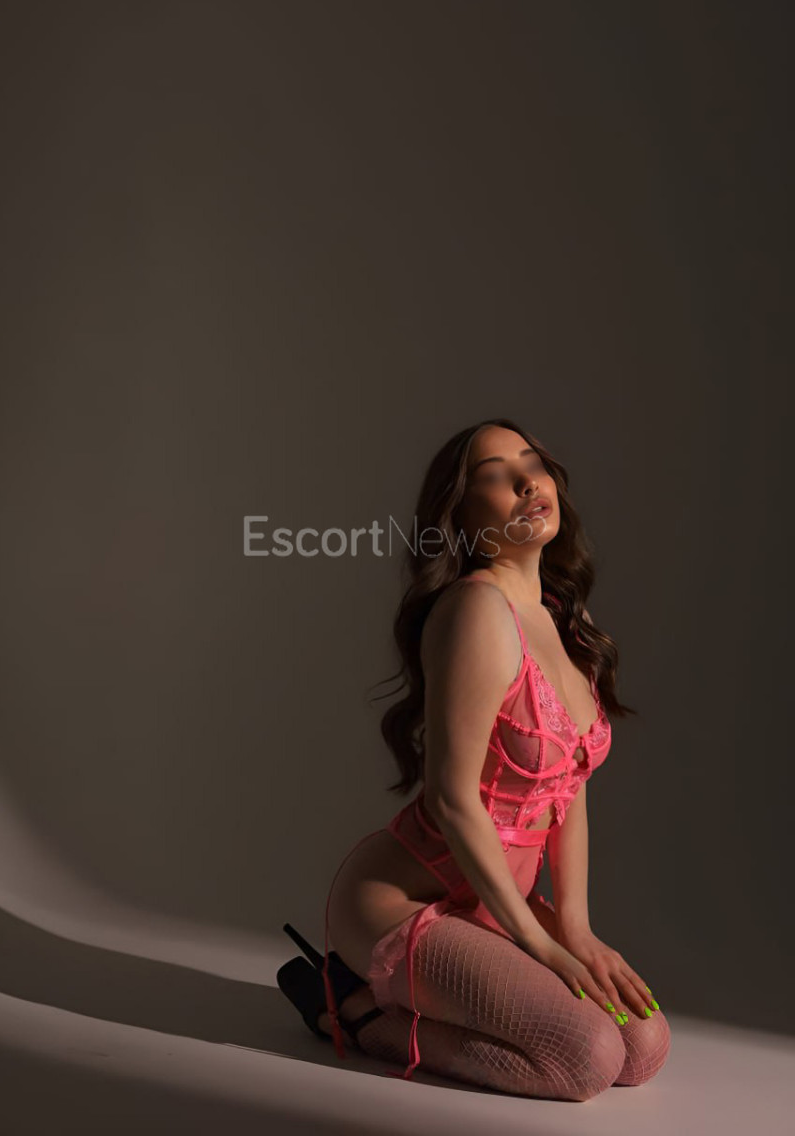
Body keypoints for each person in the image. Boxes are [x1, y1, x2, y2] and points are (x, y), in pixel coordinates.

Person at [278, 418, 671, 1100]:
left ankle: (434, 986)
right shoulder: (474, 611)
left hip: (489, 902)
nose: (526, 482)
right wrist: (539, 944)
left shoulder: (560, 618)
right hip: (404, 901)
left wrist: (575, 928)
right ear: (460, 517)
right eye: (494, 475)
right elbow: (453, 799)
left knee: (642, 1049)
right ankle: (353, 1008)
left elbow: (570, 790)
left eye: (532, 464)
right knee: (584, 1060)